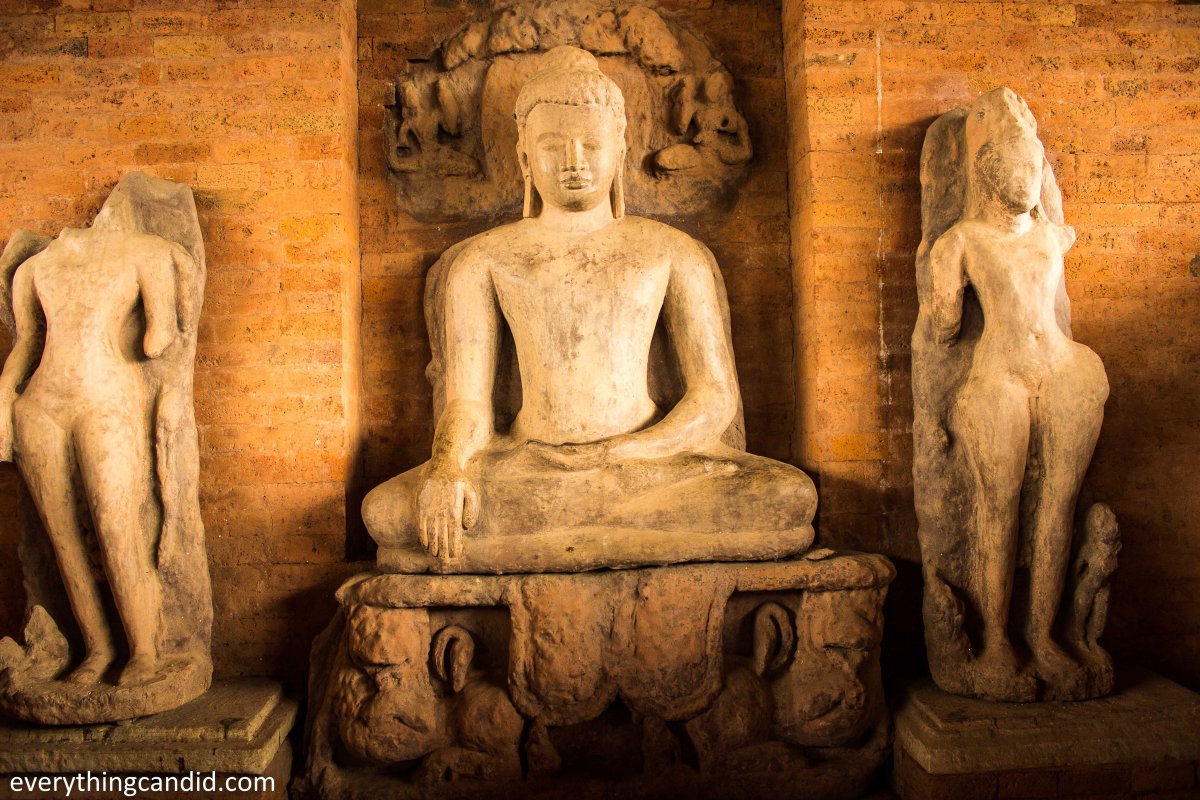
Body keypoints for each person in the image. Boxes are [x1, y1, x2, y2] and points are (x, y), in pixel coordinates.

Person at [364, 47, 815, 572]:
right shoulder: (484, 260)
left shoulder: (671, 251)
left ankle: (550, 548)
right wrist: (448, 468)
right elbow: (468, 402)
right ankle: (626, 545)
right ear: (524, 157)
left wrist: (623, 454)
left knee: (787, 496)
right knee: (387, 513)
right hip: (531, 465)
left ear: (620, 151)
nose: (574, 159)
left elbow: (714, 398)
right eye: (553, 145)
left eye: (592, 144)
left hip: (647, 463)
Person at [925, 88, 1109, 685]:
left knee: (1058, 504)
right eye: (1016, 167)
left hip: (1062, 368)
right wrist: (942, 294)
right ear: (987, 173)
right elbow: (944, 329)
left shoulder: (1052, 235)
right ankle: (997, 641)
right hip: (999, 375)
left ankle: (1043, 636)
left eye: (1035, 166)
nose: (1029, 179)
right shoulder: (961, 241)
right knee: (998, 509)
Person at [0, 179, 195, 687]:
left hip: (100, 402)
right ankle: (99, 648)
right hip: (45, 407)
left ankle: (143, 648)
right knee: (67, 539)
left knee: (113, 528)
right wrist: (2, 402)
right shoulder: (36, 267)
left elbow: (161, 340)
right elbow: (27, 343)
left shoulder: (142, 253)